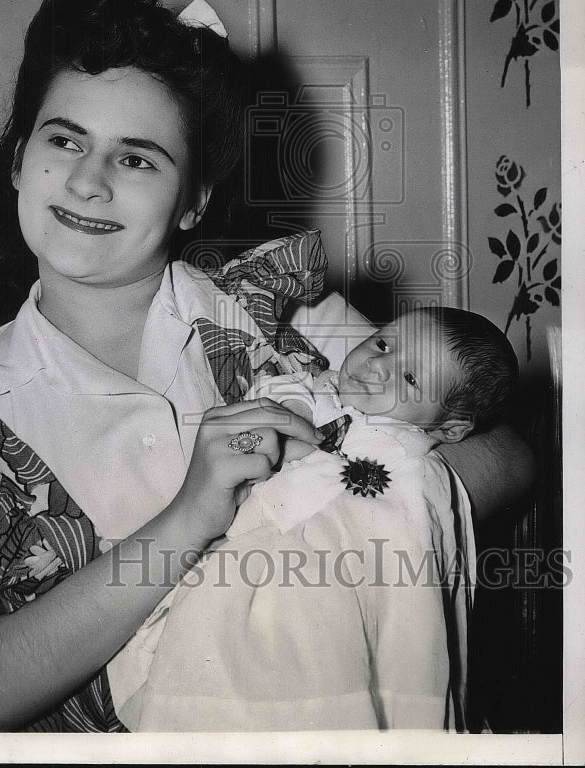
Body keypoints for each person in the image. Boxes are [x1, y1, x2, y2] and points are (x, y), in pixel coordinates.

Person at [0, 0, 533, 733]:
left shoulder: (274, 305)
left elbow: (503, 453)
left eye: (137, 158)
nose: (87, 182)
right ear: (17, 162)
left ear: (194, 200)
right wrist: (190, 518)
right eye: (64, 139)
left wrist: (339, 491)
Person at [107, 307, 519, 731]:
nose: (377, 366)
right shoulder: (316, 385)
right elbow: (280, 406)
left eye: (411, 379)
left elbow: (389, 513)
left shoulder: (408, 452)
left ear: (449, 430)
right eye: (382, 343)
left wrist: (310, 455)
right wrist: (289, 419)